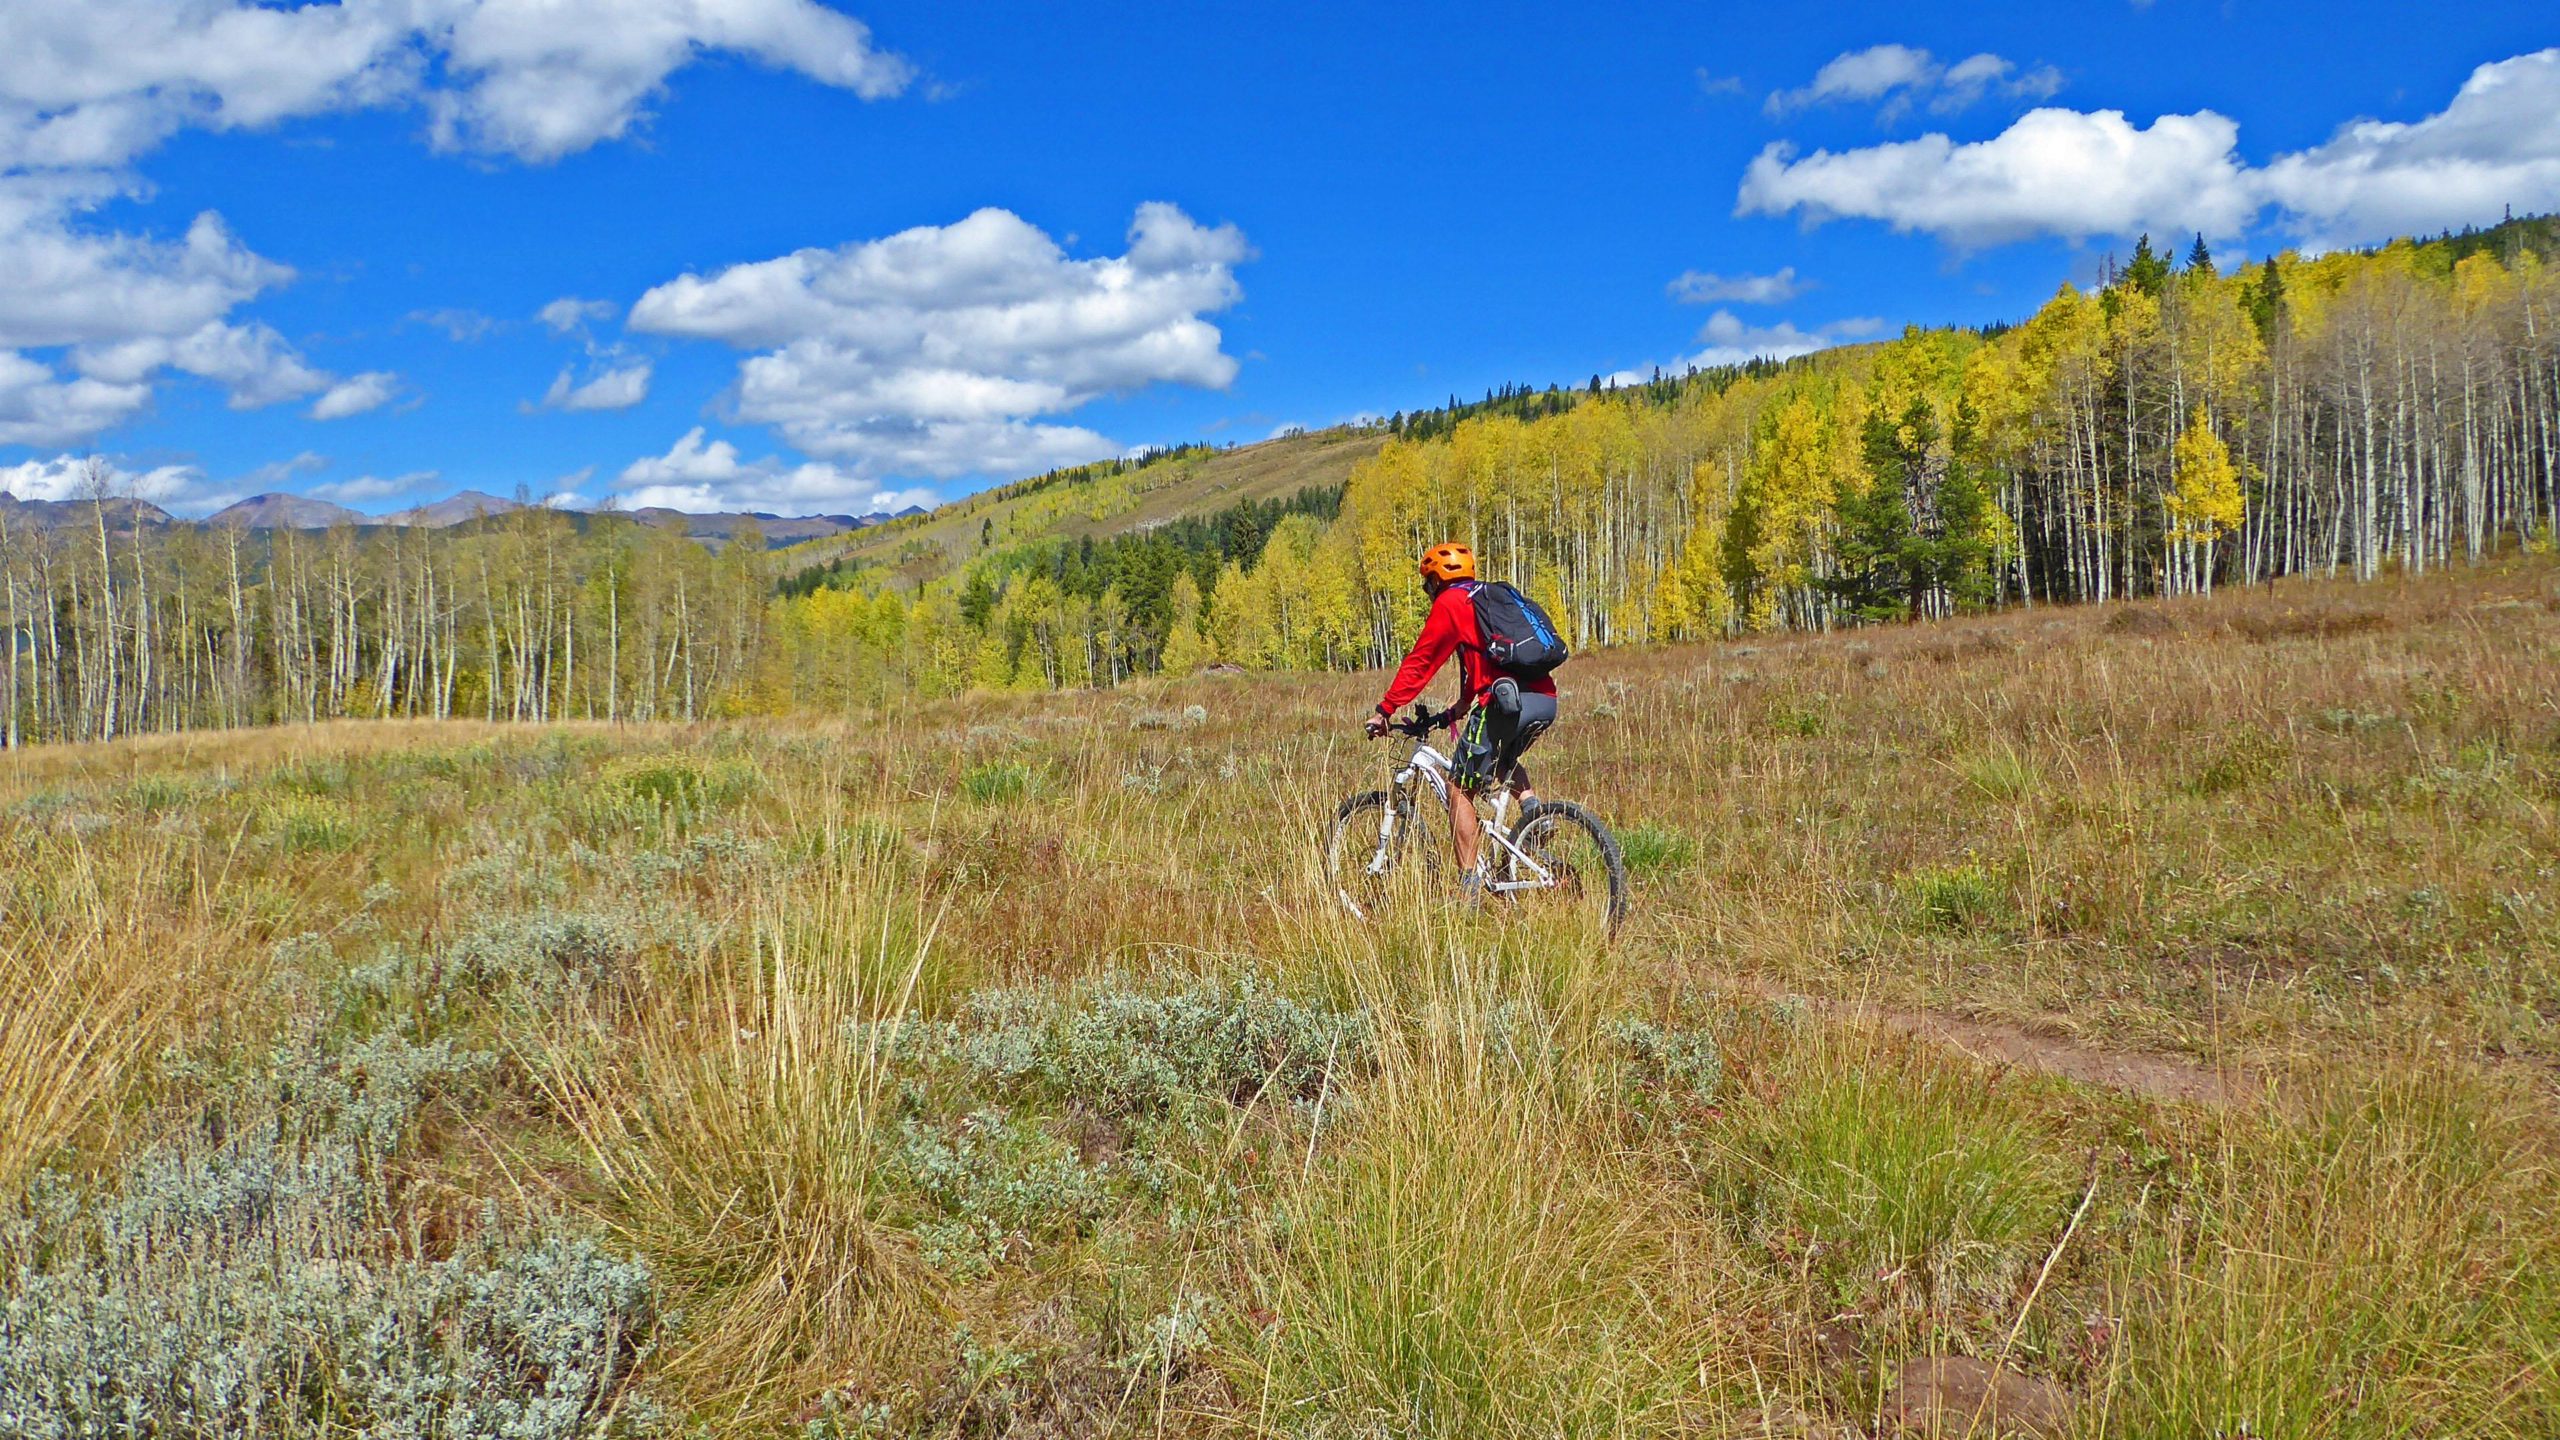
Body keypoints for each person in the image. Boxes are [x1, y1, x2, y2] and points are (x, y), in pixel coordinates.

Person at [1363, 541, 1559, 885]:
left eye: (1427, 584)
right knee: (1502, 759)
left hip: (1503, 701)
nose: (1428, 591)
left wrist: (1385, 709)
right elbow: (1483, 658)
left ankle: (1469, 888)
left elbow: (1422, 660)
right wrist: (1461, 705)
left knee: (1459, 789)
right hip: (1543, 698)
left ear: (1437, 580)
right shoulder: (1487, 596)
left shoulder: (1451, 602)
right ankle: (1533, 813)